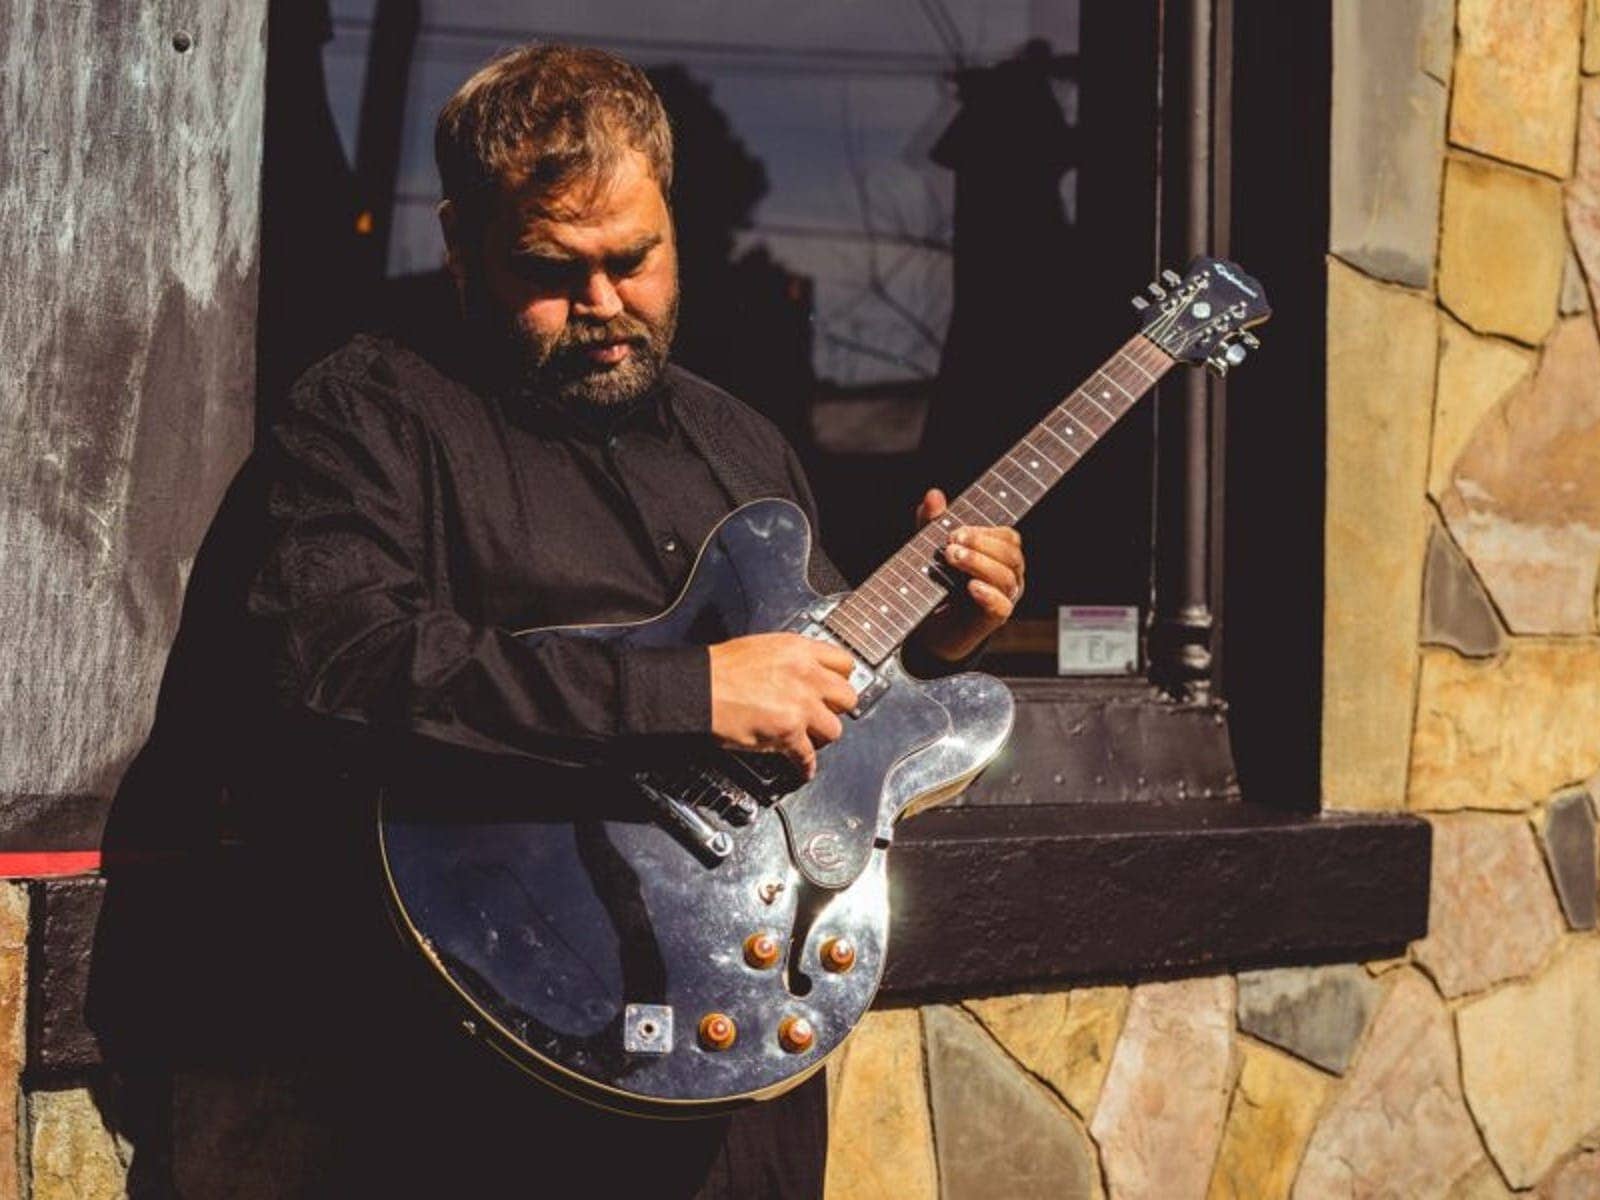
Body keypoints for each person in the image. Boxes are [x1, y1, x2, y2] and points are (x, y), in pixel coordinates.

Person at [244, 44, 1026, 1197]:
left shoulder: (743, 443)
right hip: (494, 1054)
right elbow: (344, 662)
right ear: (462, 246)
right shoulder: (370, 409)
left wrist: (935, 643)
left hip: (747, 1044)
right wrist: (687, 696)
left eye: (636, 259)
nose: (604, 306)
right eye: (551, 270)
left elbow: (812, 711)